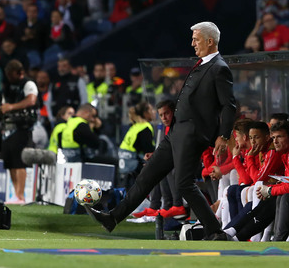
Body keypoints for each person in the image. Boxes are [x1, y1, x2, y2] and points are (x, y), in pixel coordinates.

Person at [85, 21, 236, 241]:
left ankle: (215, 231)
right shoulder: (203, 64)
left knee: (183, 184)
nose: (192, 43)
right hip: (176, 132)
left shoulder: (219, 68)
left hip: (192, 133)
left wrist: (224, 136)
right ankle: (112, 218)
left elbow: (229, 105)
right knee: (147, 175)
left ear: (209, 41)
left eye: (196, 39)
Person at [0, 59, 38, 204]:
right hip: (8, 127)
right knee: (10, 162)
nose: (10, 77)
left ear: (19, 72)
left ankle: (21, 196)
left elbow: (31, 100)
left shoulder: (28, 83)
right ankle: (16, 194)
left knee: (20, 162)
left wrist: (11, 107)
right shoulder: (8, 86)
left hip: (23, 127)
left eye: (12, 74)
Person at [117, 101, 155, 189]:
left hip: (124, 164)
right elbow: (148, 151)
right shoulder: (145, 127)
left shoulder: (135, 126)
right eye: (151, 110)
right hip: (133, 166)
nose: (154, 112)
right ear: (145, 113)